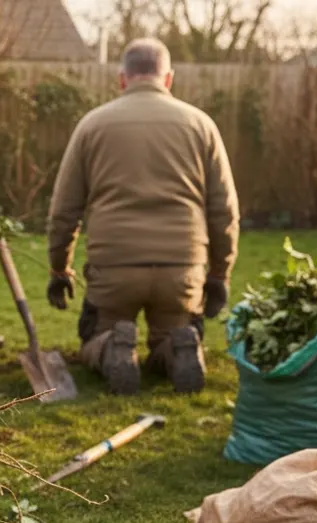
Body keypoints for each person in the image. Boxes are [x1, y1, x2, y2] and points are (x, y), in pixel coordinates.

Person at [45, 38, 240, 395]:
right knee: (174, 332)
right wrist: (219, 274)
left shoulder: (92, 125)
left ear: (122, 78)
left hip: (114, 268)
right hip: (181, 269)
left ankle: (112, 348)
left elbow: (64, 211)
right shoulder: (201, 125)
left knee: (95, 334)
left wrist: (60, 269)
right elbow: (224, 210)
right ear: (169, 79)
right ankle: (178, 347)